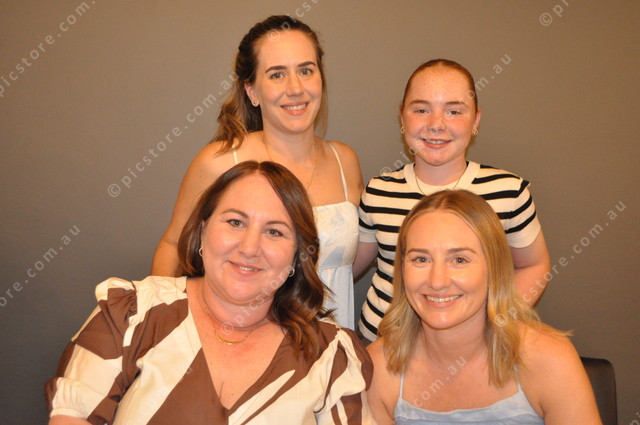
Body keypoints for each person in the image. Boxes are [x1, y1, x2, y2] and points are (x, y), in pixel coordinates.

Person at [46, 161, 374, 425]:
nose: (250, 247)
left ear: (297, 255)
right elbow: (72, 416)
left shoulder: (331, 355)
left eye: (274, 231)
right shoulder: (132, 314)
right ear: (203, 231)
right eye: (235, 222)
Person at [152, 15, 363, 329]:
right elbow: (173, 246)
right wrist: (160, 324)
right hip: (238, 341)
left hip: (331, 343)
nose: (295, 88)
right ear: (251, 90)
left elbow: (340, 266)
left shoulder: (345, 161)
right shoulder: (220, 162)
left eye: (306, 70)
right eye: (277, 74)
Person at [354, 59, 550, 342]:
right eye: (421, 110)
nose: (436, 125)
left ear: (475, 120)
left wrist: (493, 326)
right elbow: (346, 267)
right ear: (402, 118)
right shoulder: (378, 192)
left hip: (472, 353)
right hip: (379, 346)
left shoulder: (509, 192)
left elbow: (534, 265)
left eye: (454, 111)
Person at [366, 190, 601, 424]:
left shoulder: (550, 361)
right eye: (421, 259)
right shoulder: (377, 367)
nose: (437, 281)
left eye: (459, 260)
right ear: (402, 269)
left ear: (493, 268)